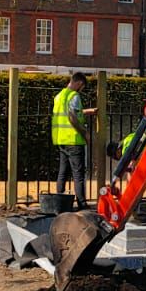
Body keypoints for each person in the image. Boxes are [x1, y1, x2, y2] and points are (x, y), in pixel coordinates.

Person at [51, 72, 97, 206]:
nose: (81, 90)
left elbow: (67, 113)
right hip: (74, 140)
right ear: (79, 83)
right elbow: (72, 117)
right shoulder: (74, 96)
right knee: (78, 174)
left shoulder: (59, 96)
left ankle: (59, 202)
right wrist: (85, 133)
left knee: (62, 172)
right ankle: (82, 203)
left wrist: (87, 111)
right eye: (82, 87)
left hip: (61, 140)